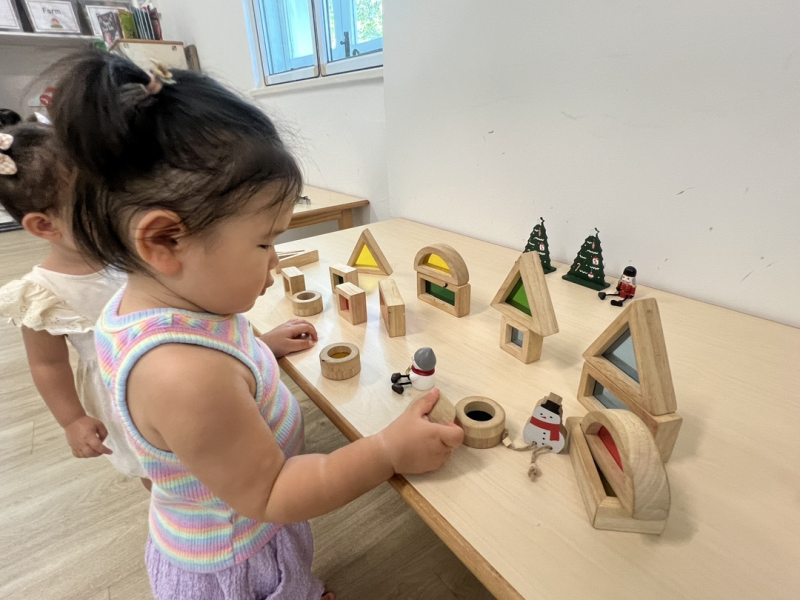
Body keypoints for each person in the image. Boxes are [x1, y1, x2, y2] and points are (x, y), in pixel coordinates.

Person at [49, 49, 464, 600]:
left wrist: (258, 348)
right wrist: (387, 451)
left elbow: (212, 359)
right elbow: (271, 493)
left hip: (245, 527)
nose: (276, 260)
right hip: (239, 562)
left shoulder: (161, 305)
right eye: (265, 242)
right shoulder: (183, 377)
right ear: (165, 240)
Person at [0, 123, 149, 485]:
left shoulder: (135, 251)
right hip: (125, 398)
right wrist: (73, 419)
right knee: (154, 467)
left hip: (181, 370)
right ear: (45, 226)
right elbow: (47, 364)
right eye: (101, 205)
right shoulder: (42, 295)